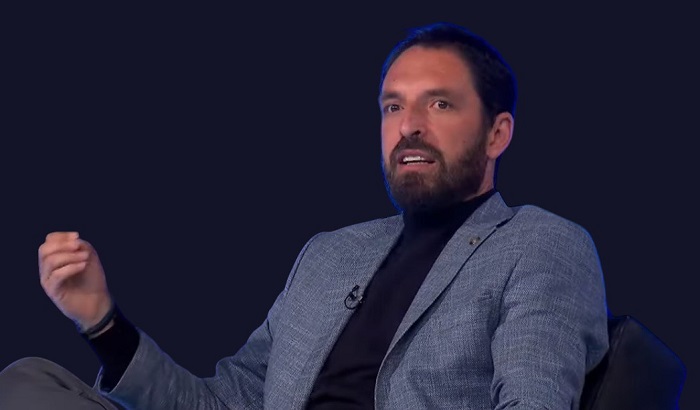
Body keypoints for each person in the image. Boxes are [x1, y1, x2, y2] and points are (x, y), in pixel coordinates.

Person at [0, 21, 610, 409]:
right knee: (28, 384)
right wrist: (103, 323)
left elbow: (532, 402)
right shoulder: (329, 254)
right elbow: (228, 402)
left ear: (497, 133)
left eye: (440, 104)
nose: (409, 126)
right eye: (393, 106)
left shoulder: (540, 243)